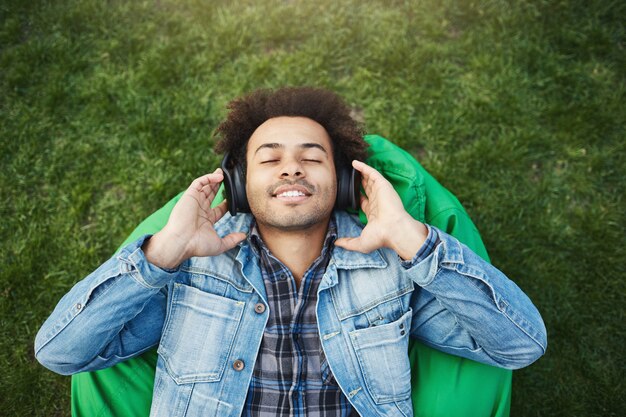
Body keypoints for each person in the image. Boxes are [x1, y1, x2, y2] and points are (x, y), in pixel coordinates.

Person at [35, 87, 547, 417]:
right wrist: (162, 254)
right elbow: (62, 354)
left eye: (312, 157)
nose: (291, 169)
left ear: (344, 183)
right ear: (237, 184)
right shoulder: (191, 271)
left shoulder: (390, 268)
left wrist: (412, 239)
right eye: (269, 158)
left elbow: (518, 347)